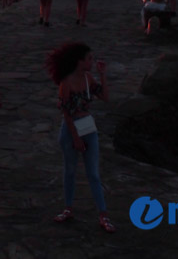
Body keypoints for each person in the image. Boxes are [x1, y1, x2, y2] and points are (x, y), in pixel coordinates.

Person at [46, 42, 115, 233]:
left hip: (88, 129)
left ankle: (103, 214)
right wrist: (75, 138)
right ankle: (68, 208)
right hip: (70, 131)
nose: (92, 62)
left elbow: (106, 98)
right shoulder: (65, 83)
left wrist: (102, 75)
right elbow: (66, 114)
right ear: (80, 61)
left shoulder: (88, 78)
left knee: (93, 173)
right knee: (70, 171)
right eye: (89, 59)